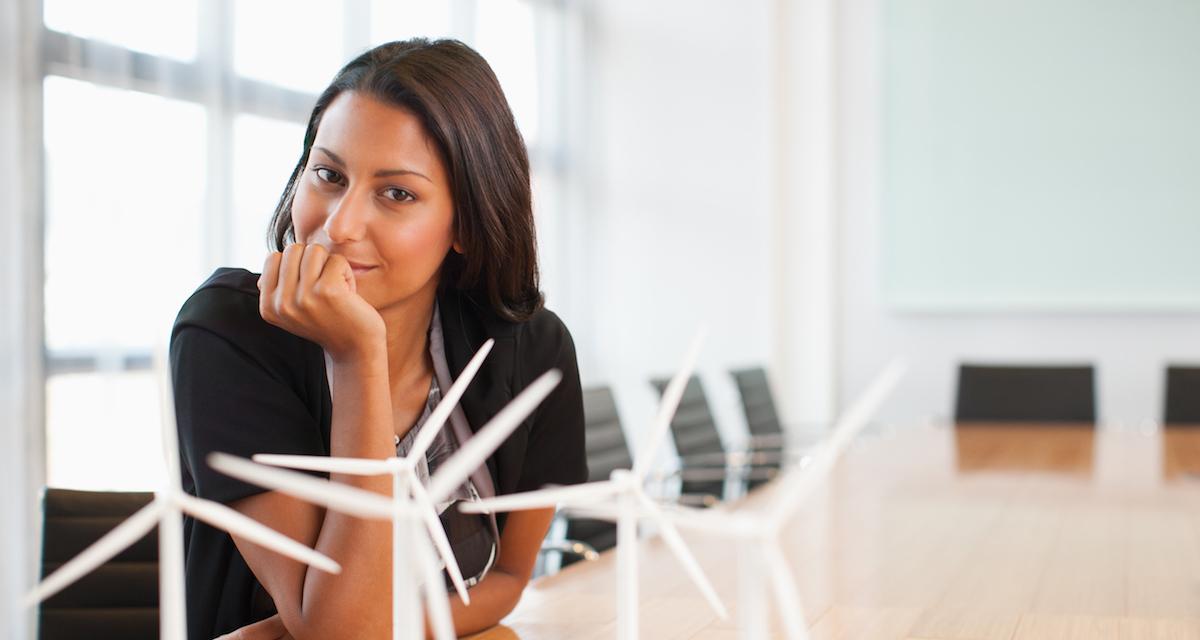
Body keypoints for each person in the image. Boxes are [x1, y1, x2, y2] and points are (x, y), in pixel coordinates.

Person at [170, 38, 587, 640]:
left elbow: (503, 581)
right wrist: (357, 355)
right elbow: (339, 633)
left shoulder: (532, 351)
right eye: (328, 175)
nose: (339, 226)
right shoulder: (228, 335)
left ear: (467, 222)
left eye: (397, 193)